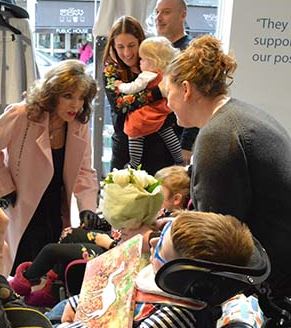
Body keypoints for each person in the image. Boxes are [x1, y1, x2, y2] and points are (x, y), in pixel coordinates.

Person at [165, 34, 291, 297]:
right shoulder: (240, 115)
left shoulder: (217, 137)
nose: (167, 104)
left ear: (186, 89)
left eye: (169, 94)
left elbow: (214, 244)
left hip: (272, 277)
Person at [59, 210, 256, 327]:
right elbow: (124, 293)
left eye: (161, 245)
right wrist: (80, 303)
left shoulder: (175, 317)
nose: (152, 241)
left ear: (179, 277)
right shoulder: (169, 287)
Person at [0, 59, 100, 277]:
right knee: (19, 267)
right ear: (52, 94)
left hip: (54, 207)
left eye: (82, 98)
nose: (76, 105)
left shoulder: (79, 125)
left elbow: (85, 171)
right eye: (68, 96)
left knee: (47, 270)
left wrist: (87, 208)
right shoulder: (21, 114)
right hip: (19, 203)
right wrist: (4, 187)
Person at [9, 167, 163, 308]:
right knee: (69, 233)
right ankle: (53, 284)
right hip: (113, 242)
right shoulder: (142, 222)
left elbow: (128, 257)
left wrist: (108, 243)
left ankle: (19, 286)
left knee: (51, 250)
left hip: (114, 257)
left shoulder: (147, 236)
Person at [103, 15, 181, 175]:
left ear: (141, 42)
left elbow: (175, 95)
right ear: (113, 46)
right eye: (120, 47)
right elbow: (120, 106)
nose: (127, 53)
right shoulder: (111, 71)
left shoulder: (155, 61)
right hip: (127, 146)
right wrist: (157, 92)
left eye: (132, 45)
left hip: (159, 145)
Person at [115, 36, 183, 169]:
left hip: (148, 112)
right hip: (162, 110)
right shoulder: (166, 73)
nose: (140, 62)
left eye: (142, 59)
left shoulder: (147, 75)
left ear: (152, 61)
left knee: (134, 131)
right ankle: (179, 158)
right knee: (167, 131)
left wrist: (120, 86)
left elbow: (133, 88)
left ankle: (134, 162)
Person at [155, 0, 199, 165]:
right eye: (157, 12)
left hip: (177, 143)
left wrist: (186, 144)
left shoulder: (190, 52)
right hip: (153, 139)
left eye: (166, 12)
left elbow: (196, 98)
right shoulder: (154, 50)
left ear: (183, 15)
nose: (158, 18)